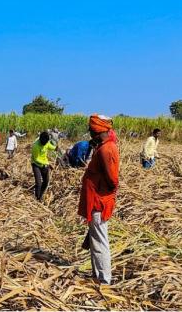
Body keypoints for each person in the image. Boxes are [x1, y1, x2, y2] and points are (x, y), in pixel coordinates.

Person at [78, 114, 119, 285]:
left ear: (97, 131)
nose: (89, 133)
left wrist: (102, 195)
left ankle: (104, 279)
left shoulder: (106, 150)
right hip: (96, 201)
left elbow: (112, 180)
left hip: (99, 203)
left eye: (91, 130)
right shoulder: (102, 147)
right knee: (95, 240)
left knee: (100, 241)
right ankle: (97, 275)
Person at [31, 131, 59, 201]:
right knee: (39, 183)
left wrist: (55, 148)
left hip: (44, 165)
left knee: (46, 182)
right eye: (43, 143)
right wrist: (48, 164)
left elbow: (50, 147)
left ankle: (40, 195)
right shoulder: (35, 146)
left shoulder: (46, 142)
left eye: (46, 142)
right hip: (36, 165)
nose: (45, 144)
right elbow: (36, 159)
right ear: (40, 140)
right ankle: (37, 198)